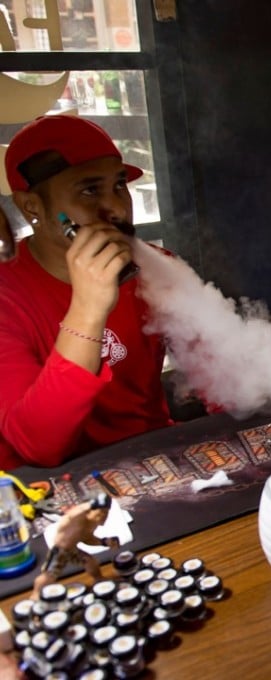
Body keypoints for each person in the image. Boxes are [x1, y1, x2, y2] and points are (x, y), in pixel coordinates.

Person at [0, 115, 172, 468]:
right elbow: (39, 446)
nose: (118, 208)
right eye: (90, 190)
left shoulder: (157, 268)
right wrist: (88, 310)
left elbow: (221, 373)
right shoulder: (7, 294)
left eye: (120, 185)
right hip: (50, 492)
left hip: (153, 459)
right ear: (31, 206)